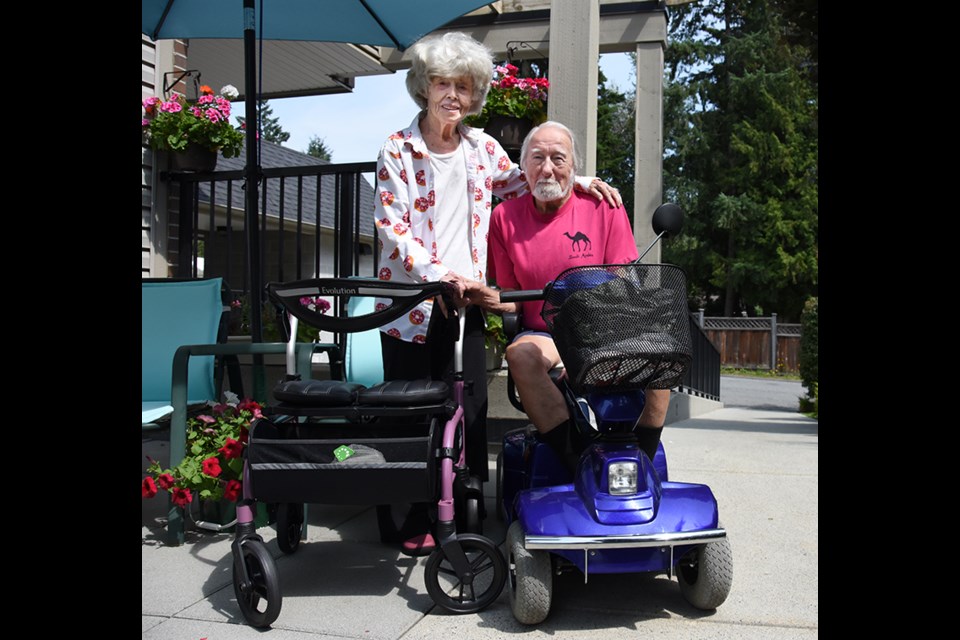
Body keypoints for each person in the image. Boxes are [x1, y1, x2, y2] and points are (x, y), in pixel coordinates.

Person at [373, 33, 622, 555]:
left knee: (468, 406)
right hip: (411, 305)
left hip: (466, 305)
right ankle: (411, 514)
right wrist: (443, 275)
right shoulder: (398, 150)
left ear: (474, 94)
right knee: (410, 410)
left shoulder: (482, 149)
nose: (453, 96)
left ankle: (464, 511)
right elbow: (393, 230)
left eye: (463, 86)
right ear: (424, 86)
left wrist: (584, 179)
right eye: (443, 83)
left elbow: (530, 178)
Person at [464, 121, 670, 469]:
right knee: (521, 355)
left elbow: (623, 280)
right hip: (546, 334)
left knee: (662, 348)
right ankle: (576, 459)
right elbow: (513, 298)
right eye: (537, 158)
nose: (547, 168)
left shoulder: (604, 205)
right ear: (523, 166)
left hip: (603, 327)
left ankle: (645, 454)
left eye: (558, 159)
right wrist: (482, 296)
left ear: (573, 168)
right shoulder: (504, 218)